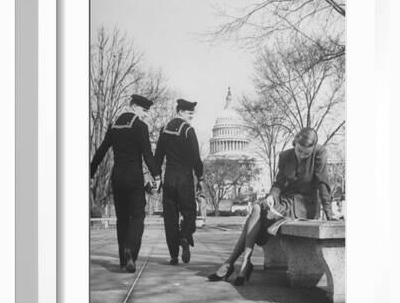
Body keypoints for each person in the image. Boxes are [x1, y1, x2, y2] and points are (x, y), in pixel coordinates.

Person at [208, 127, 335, 285]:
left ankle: (232, 263)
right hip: (284, 201)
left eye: (306, 153)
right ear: (294, 143)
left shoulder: (320, 153)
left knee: (255, 216)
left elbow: (323, 183)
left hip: (304, 205)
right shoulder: (285, 156)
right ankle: (244, 262)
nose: (302, 155)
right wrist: (271, 196)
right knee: (256, 208)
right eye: (299, 150)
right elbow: (279, 183)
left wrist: (329, 213)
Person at [90, 94, 160, 273]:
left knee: (122, 219)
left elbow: (101, 151)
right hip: (134, 177)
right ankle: (131, 252)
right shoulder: (140, 126)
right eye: (144, 110)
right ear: (134, 106)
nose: (146, 115)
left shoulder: (114, 126)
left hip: (117, 177)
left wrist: (90, 172)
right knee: (138, 216)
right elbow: (147, 154)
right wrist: (157, 176)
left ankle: (123, 259)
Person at [155, 99, 204, 265]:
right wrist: (200, 177)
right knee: (189, 211)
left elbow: (158, 157)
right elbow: (196, 158)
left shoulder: (164, 130)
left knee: (170, 217)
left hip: (169, 178)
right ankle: (184, 236)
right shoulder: (188, 130)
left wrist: (156, 176)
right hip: (184, 178)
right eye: (190, 113)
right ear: (181, 112)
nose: (192, 116)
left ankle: (173, 255)